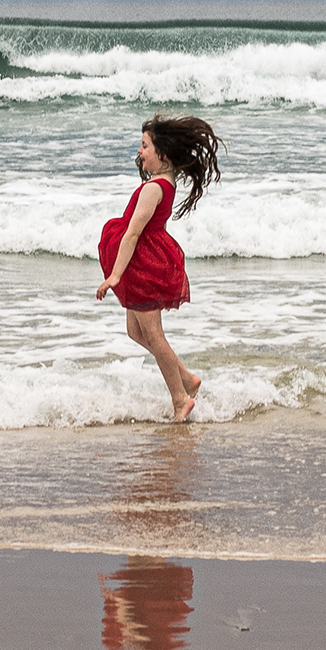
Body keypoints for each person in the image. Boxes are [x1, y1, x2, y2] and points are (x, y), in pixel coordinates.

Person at [96, 115, 222, 422]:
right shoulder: (164, 181)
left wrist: (115, 275)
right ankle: (187, 379)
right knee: (135, 331)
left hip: (142, 265)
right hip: (144, 261)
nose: (139, 151)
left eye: (145, 146)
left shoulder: (153, 189)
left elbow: (133, 233)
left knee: (154, 336)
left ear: (162, 153)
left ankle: (180, 399)